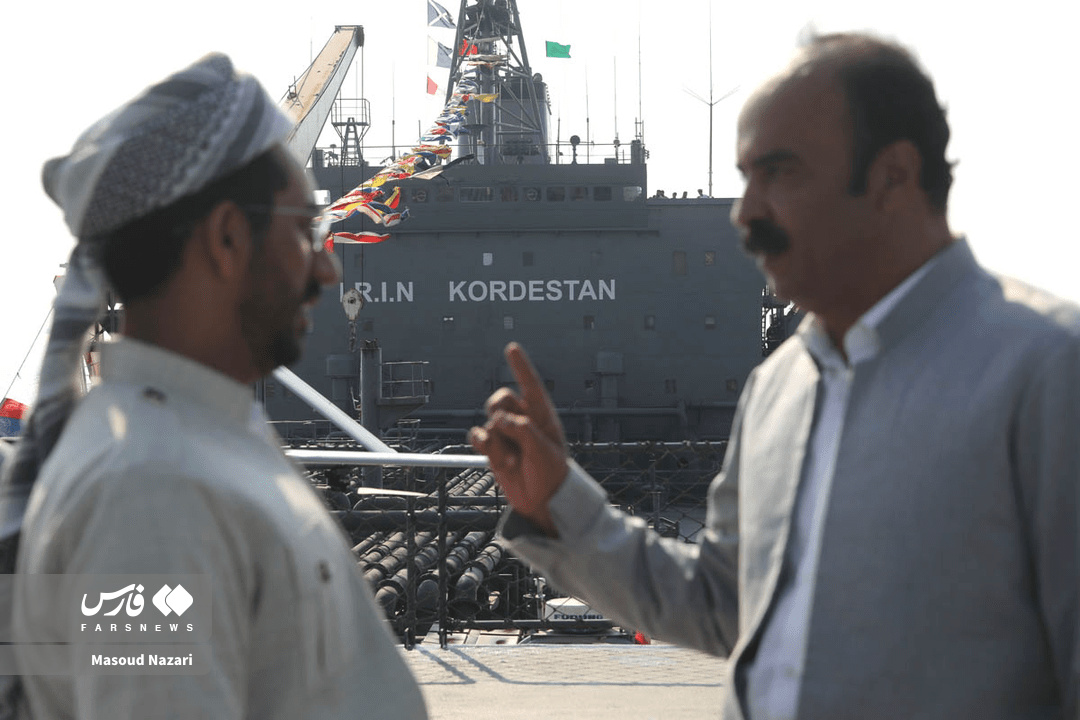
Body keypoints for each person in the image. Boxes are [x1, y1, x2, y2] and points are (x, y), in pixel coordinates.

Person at [470, 32, 1079, 720]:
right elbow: (723, 604)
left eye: (780, 173)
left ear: (893, 178)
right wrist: (561, 506)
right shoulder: (779, 388)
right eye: (747, 177)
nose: (746, 212)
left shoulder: (1049, 374)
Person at [0, 54, 428, 718]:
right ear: (227, 238)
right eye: (305, 230)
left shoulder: (195, 445)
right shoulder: (151, 491)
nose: (327, 270)